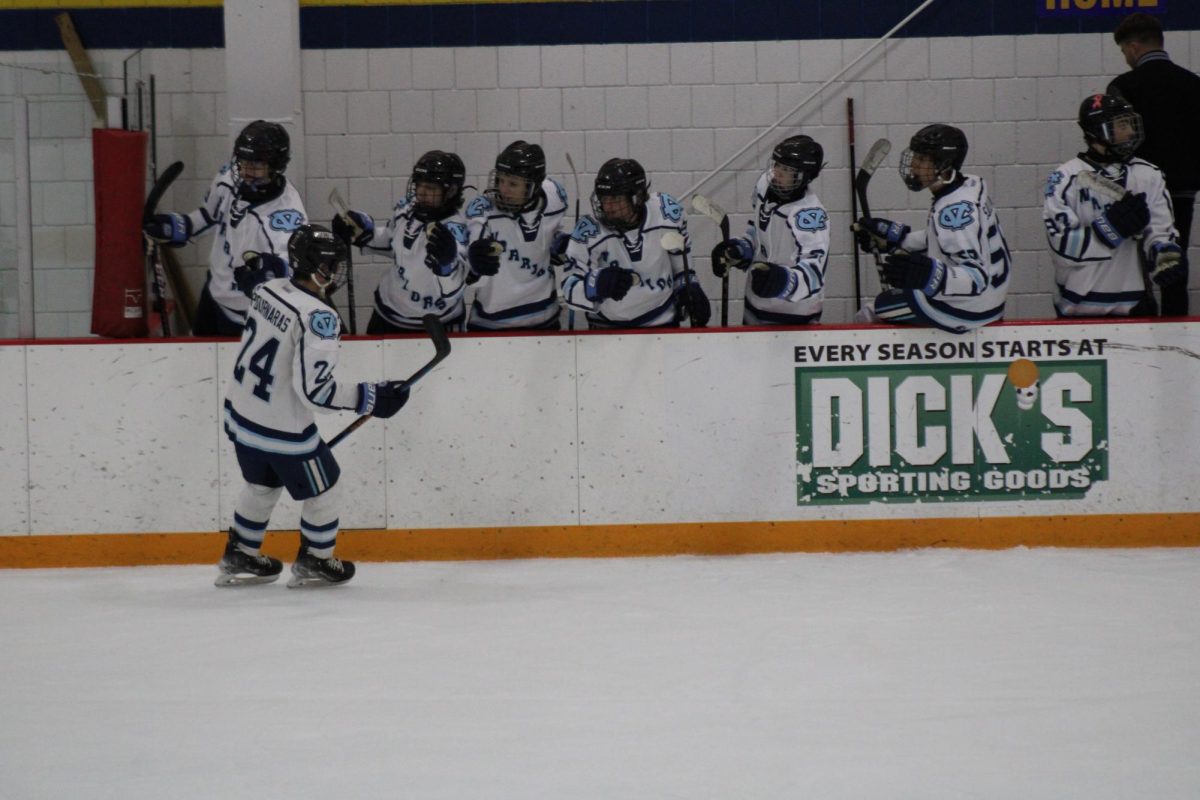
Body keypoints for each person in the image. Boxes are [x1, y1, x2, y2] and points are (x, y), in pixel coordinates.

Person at [218, 224, 410, 587]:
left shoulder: (266, 289)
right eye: (333, 265)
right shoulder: (319, 319)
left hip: (242, 417)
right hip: (282, 431)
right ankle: (317, 559)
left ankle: (240, 552)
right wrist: (371, 397)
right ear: (320, 269)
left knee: (261, 486)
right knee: (327, 488)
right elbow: (316, 393)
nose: (336, 272)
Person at [143, 120, 307, 336]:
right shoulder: (229, 178)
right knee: (198, 362)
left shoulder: (286, 215)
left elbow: (295, 269)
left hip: (248, 315)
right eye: (243, 162)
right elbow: (208, 216)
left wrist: (272, 275)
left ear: (276, 167)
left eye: (256, 165)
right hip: (213, 295)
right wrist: (177, 226)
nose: (246, 171)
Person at [852, 124, 1011, 334]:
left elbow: (976, 278)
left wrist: (930, 275)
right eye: (915, 157)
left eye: (922, 160)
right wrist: (896, 240)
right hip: (989, 299)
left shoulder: (954, 212)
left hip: (970, 309)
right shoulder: (966, 187)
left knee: (873, 311)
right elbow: (944, 242)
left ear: (944, 165)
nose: (914, 167)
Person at [1042, 94, 1181, 317]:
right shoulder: (1064, 178)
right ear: (1097, 130)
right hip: (1078, 310)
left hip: (1135, 307)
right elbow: (1061, 247)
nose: (1131, 132)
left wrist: (1164, 256)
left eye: (1130, 123)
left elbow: (1160, 232)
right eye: (1122, 125)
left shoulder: (1148, 175)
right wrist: (1110, 228)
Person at [1108, 12, 1200, 316]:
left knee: (1134, 271)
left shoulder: (1124, 86)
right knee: (1174, 266)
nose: (1125, 59)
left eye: (1124, 52)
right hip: (1181, 191)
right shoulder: (1192, 84)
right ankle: (1178, 338)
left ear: (1134, 47)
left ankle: (1141, 336)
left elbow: (1116, 144)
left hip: (1136, 192)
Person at [560, 158, 710, 329]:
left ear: (637, 197)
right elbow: (569, 288)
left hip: (663, 324)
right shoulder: (589, 230)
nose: (608, 207)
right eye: (603, 198)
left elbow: (681, 265)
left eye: (616, 199)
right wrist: (595, 285)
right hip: (606, 330)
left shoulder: (666, 212)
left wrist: (689, 286)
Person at [332, 150, 469, 334]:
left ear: (451, 191)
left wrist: (447, 265)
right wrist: (362, 233)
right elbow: (391, 242)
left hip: (437, 324)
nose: (421, 193)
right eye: (419, 185)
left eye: (431, 188)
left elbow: (453, 288)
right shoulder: (408, 208)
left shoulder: (454, 231)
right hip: (387, 314)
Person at [710, 134, 829, 325]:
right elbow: (756, 233)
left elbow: (814, 274)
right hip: (754, 304)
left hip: (793, 316)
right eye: (778, 165)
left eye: (788, 171)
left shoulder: (810, 216)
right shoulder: (763, 186)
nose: (777, 173)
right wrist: (739, 250)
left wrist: (783, 281)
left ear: (805, 176)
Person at [462, 141, 569, 331]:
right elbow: (473, 269)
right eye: (500, 180)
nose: (503, 189)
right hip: (490, 323)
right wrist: (475, 263)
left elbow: (554, 234)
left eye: (513, 184)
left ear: (535, 186)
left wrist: (560, 244)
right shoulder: (483, 211)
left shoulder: (555, 198)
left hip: (545, 320)